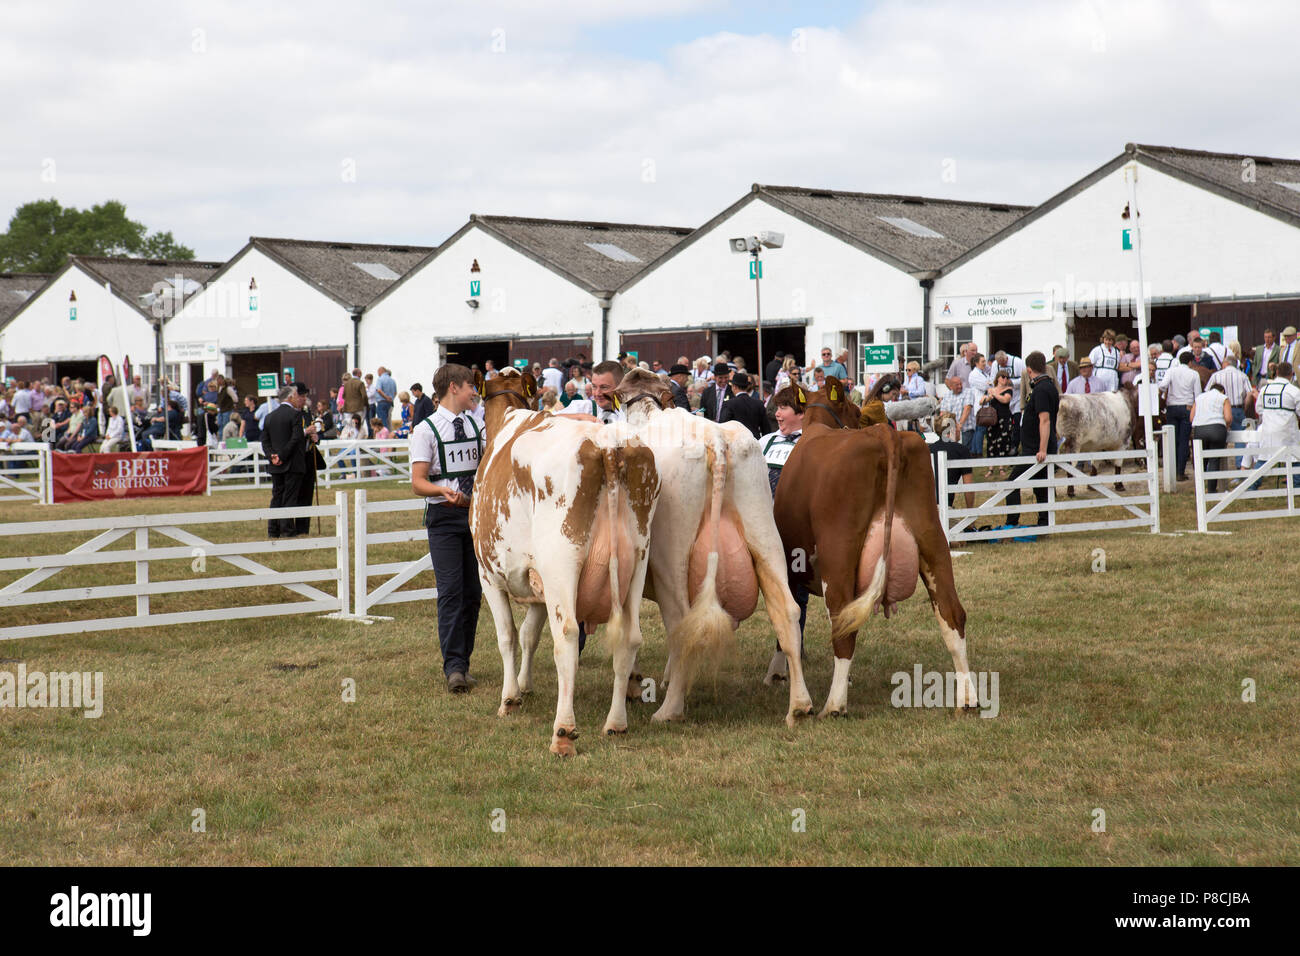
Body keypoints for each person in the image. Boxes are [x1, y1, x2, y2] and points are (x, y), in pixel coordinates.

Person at [410, 364, 484, 693]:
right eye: (471, 386)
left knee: (474, 593)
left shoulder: (476, 424)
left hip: (475, 516)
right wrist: (441, 490)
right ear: (454, 387)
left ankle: (463, 661)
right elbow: (417, 482)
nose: (475, 393)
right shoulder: (425, 430)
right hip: (444, 518)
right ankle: (454, 666)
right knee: (452, 591)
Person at [758, 387, 810, 665]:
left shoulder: (811, 444)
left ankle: (790, 650)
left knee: (796, 589)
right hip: (764, 526)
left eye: (784, 408)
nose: (777, 413)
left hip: (796, 528)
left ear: (800, 412)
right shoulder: (765, 441)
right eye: (776, 408)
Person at [1008, 351, 1059, 533]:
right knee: (1041, 486)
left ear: (1029, 370)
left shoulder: (1042, 389)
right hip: (1034, 446)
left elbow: (1045, 420)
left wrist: (1042, 449)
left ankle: (1011, 522)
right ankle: (1044, 523)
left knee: (1012, 483)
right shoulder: (1046, 386)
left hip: (1036, 449)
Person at [262, 385, 311, 539]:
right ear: (290, 397)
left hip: (275, 464)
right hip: (292, 463)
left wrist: (272, 456)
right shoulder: (295, 415)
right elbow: (296, 438)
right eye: (297, 396)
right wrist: (282, 455)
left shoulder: (270, 416)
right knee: (289, 497)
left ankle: (273, 529)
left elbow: (265, 441)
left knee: (276, 496)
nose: (298, 399)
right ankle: (287, 529)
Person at [1158, 351, 1203, 481]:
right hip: (1187, 408)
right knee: (1183, 441)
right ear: (1190, 362)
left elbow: (1162, 385)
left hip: (1172, 407)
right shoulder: (1194, 374)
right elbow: (1198, 395)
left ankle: (1171, 470)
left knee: (1173, 439)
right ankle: (1180, 472)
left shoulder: (1171, 371)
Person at [1191, 382, 1232, 493]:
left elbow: (1191, 417)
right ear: (1222, 391)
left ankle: (1199, 489)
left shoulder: (1199, 398)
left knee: (1200, 460)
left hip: (1199, 429)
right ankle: (1211, 489)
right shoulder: (1223, 398)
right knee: (1214, 459)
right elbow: (1228, 418)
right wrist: (1226, 427)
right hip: (1217, 429)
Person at [559, 360, 625, 423]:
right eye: (594, 386)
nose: (597, 393)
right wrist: (580, 417)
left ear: (620, 387)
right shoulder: (585, 407)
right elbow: (550, 418)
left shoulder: (628, 412)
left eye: (604, 387)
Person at [719, 371, 767, 439]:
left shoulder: (729, 404)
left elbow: (722, 427)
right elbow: (766, 429)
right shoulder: (759, 404)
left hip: (736, 442)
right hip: (755, 441)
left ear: (734, 387)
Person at [985, 371, 1018, 466]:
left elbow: (1005, 400)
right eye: (1003, 377)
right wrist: (988, 396)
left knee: (1004, 439)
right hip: (992, 418)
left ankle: (1001, 466)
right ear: (998, 378)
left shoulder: (1009, 389)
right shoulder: (991, 389)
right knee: (991, 440)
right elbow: (982, 400)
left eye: (1007, 377)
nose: (1005, 379)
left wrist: (994, 394)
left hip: (1004, 417)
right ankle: (991, 467)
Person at [342, 370, 369, 436]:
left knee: (349, 424)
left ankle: (349, 437)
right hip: (358, 407)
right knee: (359, 424)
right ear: (359, 374)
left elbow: (343, 396)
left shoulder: (347, 383)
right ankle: (358, 438)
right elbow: (364, 396)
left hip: (348, 407)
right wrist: (366, 405)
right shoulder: (360, 383)